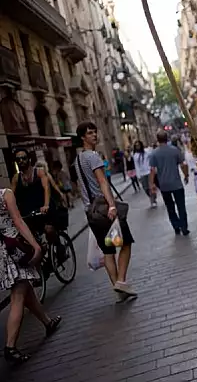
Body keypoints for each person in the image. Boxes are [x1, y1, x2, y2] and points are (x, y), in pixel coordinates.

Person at [75, 122, 137, 302]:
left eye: (95, 132)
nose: (94, 135)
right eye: (90, 133)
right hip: (103, 209)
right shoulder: (93, 156)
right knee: (125, 244)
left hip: (90, 211)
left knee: (108, 250)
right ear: (82, 137)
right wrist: (111, 205)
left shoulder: (78, 160)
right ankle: (121, 281)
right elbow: (102, 181)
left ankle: (119, 292)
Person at [0, 187, 61, 365]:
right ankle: (10, 347)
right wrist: (35, 245)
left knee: (26, 290)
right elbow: (18, 220)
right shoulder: (5, 194)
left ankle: (47, 322)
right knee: (18, 295)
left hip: (2, 253)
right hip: (15, 248)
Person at [149, 130, 190, 236]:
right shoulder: (175, 150)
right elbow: (183, 164)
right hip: (176, 183)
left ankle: (176, 226)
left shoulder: (154, 153)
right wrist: (186, 175)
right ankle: (184, 227)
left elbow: (152, 170)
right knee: (181, 206)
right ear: (167, 138)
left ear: (157, 140)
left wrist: (152, 184)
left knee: (170, 207)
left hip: (164, 185)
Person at [11, 150, 55, 239]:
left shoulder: (39, 172)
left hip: (42, 207)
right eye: (18, 159)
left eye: (23, 158)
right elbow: (11, 196)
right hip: (28, 211)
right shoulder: (16, 178)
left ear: (29, 159)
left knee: (49, 230)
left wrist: (46, 205)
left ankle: (58, 245)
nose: (21, 161)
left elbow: (46, 188)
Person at [133, 140, 157, 208]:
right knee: (145, 188)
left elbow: (152, 156)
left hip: (149, 172)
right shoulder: (135, 155)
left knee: (150, 186)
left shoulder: (146, 152)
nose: (138, 146)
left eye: (138, 145)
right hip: (142, 173)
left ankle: (153, 201)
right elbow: (136, 165)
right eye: (136, 146)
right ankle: (153, 196)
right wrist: (138, 175)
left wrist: (153, 167)